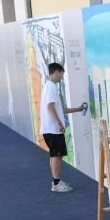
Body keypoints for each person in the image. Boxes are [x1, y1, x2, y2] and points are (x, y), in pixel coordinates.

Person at [40, 62, 83, 193]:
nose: (62, 78)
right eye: (62, 75)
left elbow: (58, 109)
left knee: (55, 156)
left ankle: (56, 181)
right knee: (57, 156)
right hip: (53, 130)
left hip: (50, 129)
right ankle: (57, 184)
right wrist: (59, 123)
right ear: (56, 72)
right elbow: (50, 107)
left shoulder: (48, 87)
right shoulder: (51, 86)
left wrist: (78, 109)